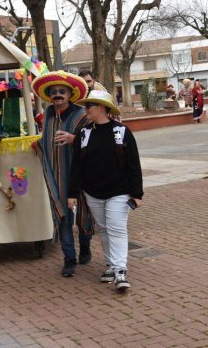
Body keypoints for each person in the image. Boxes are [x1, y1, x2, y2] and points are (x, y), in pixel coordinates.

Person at [68, 90, 144, 291]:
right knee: (103, 229)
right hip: (92, 191)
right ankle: (110, 265)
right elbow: (76, 166)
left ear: (101, 107)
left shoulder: (121, 131)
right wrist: (72, 193)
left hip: (119, 190)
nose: (85, 110)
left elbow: (133, 163)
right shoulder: (84, 134)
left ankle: (120, 270)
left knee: (117, 229)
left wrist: (137, 194)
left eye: (89, 106)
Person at [32, 71, 92, 277]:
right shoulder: (48, 113)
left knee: (84, 214)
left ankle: (85, 245)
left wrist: (73, 138)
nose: (57, 95)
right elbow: (46, 137)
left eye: (62, 91)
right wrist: (38, 144)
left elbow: (92, 142)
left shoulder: (82, 115)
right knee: (62, 215)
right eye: (54, 92)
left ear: (70, 94)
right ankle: (69, 259)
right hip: (56, 176)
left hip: (79, 174)